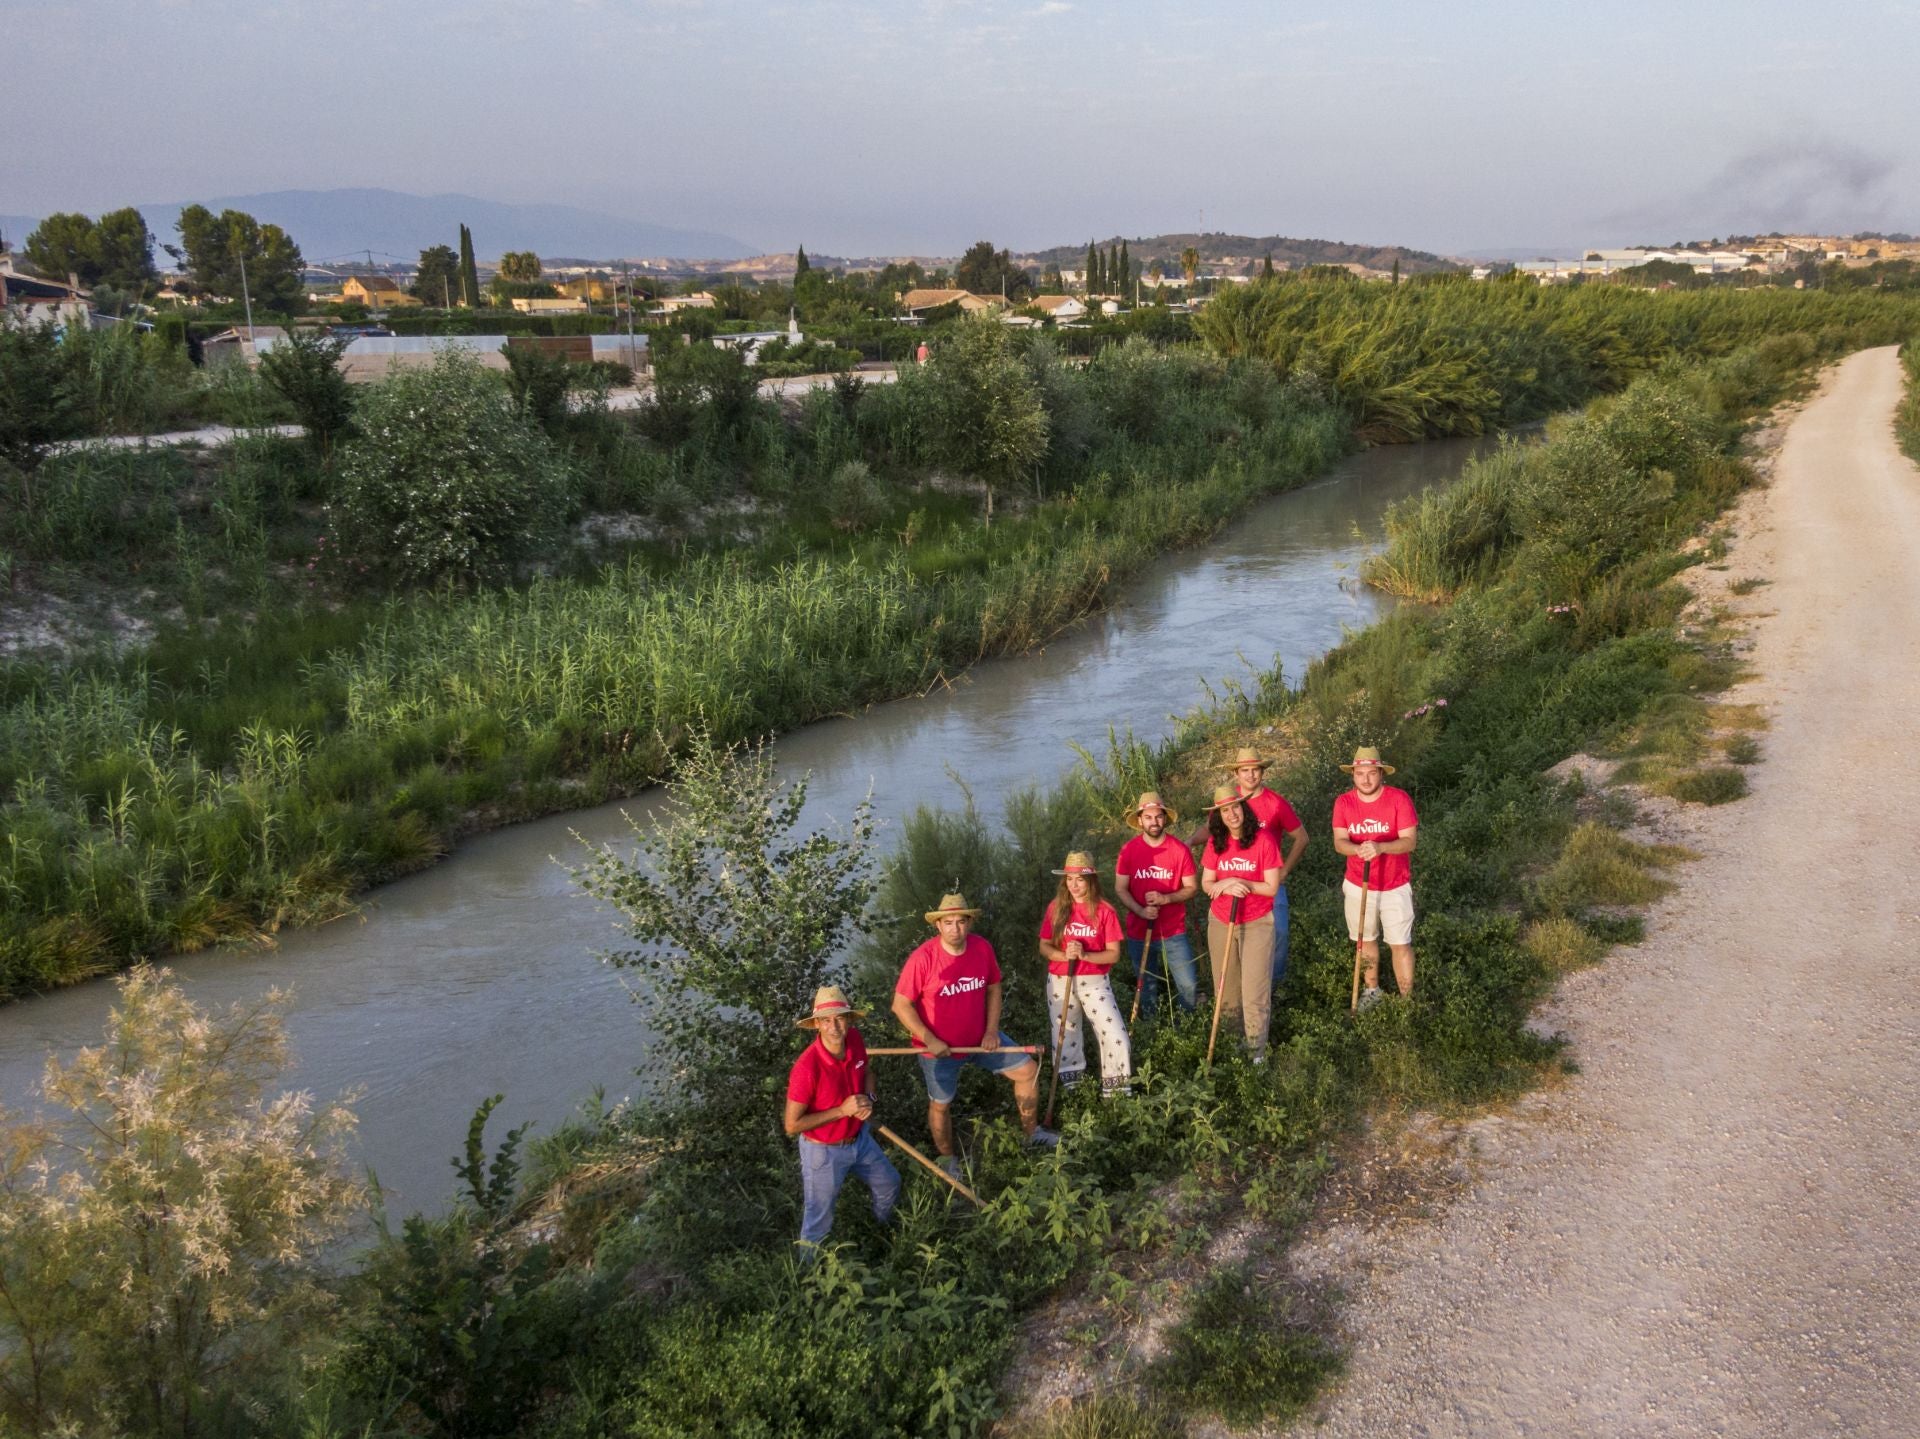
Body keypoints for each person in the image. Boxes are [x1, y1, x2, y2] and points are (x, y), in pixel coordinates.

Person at [892, 893, 1057, 1178]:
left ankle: (1032, 1134)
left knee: (1027, 1070)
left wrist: (992, 1031)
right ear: (938, 925)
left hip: (981, 1040)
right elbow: (900, 1005)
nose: (955, 929)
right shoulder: (923, 959)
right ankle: (948, 1160)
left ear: (969, 923)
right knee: (941, 1104)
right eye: (948, 923)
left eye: (961, 922)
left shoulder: (981, 948)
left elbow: (994, 987)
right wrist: (929, 1039)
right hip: (938, 1049)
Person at [784, 985, 901, 1252]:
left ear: (849, 1020)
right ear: (816, 1025)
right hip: (823, 1152)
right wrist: (841, 1110)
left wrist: (869, 1098)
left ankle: (880, 1237)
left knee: (890, 1182)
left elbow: (868, 1073)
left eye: (839, 1018)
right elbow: (792, 1126)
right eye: (826, 1020)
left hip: (859, 1139)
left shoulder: (855, 1040)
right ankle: (809, 1276)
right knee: (818, 1220)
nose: (834, 1026)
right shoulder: (807, 1068)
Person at [1331, 747, 1419, 1008]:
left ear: (1381, 774)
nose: (1366, 779)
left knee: (1400, 943)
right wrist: (1357, 849)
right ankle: (1372, 991)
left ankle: (1406, 1000)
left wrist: (1381, 847)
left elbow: (1409, 841)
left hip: (1395, 883)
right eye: (1360, 774)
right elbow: (1339, 842)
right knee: (1365, 939)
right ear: (1353, 776)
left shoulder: (1399, 799)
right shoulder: (1343, 803)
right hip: (1358, 882)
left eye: (1372, 773)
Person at [1200, 785, 1282, 1061]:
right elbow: (1206, 883)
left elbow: (1271, 887)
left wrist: (1241, 883)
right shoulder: (1215, 842)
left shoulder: (1263, 840)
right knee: (1226, 990)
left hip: (1256, 922)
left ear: (1244, 808)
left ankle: (1256, 1054)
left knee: (1254, 991)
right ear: (1218, 816)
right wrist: (1223, 884)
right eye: (1225, 810)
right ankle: (1231, 1047)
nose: (1232, 814)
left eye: (1235, 807)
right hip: (1221, 921)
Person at [1037, 852, 1131, 1095]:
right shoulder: (1056, 908)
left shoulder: (1104, 910)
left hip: (1094, 982)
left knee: (1116, 1035)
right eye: (1069, 879)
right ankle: (1072, 1090)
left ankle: (1116, 1092)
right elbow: (1044, 946)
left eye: (1080, 879)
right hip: (1059, 979)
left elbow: (1113, 954)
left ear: (1091, 880)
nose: (1074, 885)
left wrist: (1085, 956)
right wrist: (1063, 955)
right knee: (1064, 1033)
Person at [1225, 747, 1309, 991]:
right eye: (1245, 771)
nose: (1251, 775)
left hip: (1269, 882)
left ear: (1262, 772)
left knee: (1279, 934)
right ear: (1237, 774)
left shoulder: (1275, 803)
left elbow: (1302, 838)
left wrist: (1284, 871)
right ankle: (1242, 987)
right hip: (1236, 880)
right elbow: (1211, 830)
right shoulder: (1230, 802)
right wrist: (1188, 842)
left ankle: (1274, 986)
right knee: (1238, 935)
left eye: (1255, 770)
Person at [1114, 791, 1200, 1013]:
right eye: (1149, 817)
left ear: (1165, 818)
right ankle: (1151, 1031)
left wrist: (1166, 898)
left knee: (1188, 984)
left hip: (1173, 931)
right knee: (1146, 986)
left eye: (1158, 816)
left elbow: (1191, 888)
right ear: (1140, 820)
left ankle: (1185, 1031)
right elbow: (1121, 889)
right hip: (1139, 931)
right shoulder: (1128, 851)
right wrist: (1141, 911)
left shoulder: (1179, 850)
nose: (1154, 822)